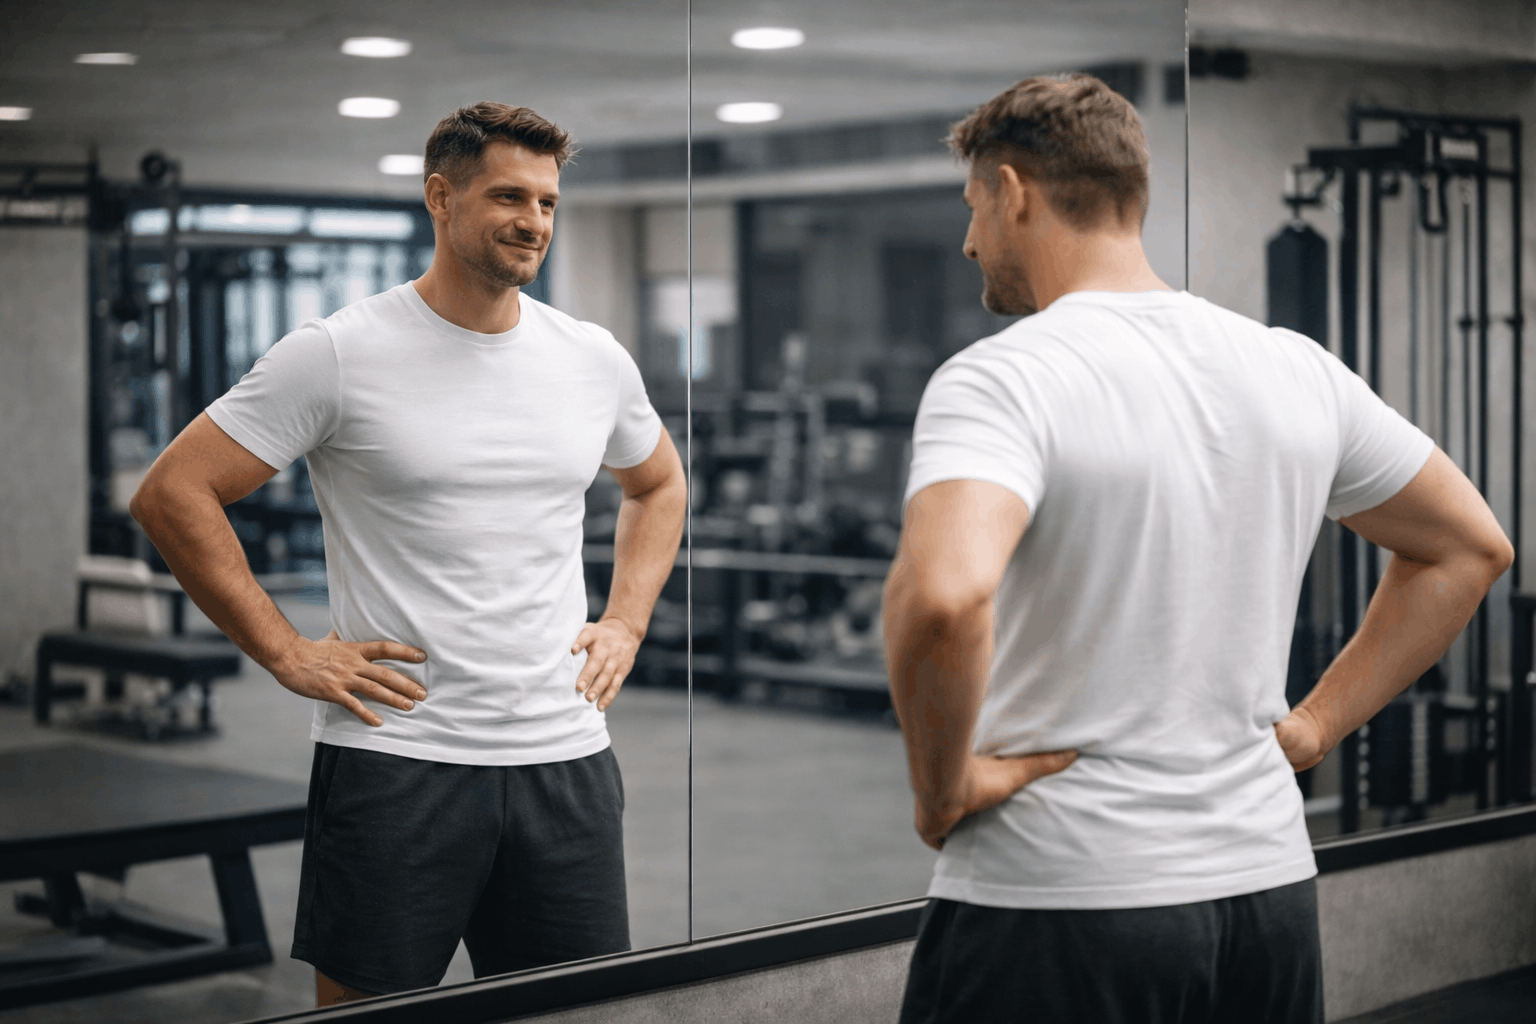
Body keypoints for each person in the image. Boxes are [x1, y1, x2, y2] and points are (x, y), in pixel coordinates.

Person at [882, 74, 1512, 1024]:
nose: (971, 241)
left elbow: (940, 598)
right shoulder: (1294, 367)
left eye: (974, 208)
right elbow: (1471, 547)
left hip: (1060, 900)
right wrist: (1314, 728)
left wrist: (942, 792)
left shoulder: (1003, 377)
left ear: (1012, 192)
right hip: (1266, 899)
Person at [130, 102, 686, 1004]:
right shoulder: (340, 353)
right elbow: (171, 493)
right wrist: (285, 649)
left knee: (578, 1014)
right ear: (441, 196)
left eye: (548, 202)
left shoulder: (591, 358)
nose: (533, 222)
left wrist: (625, 621)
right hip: (400, 760)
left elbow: (659, 484)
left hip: (565, 757)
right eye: (510, 196)